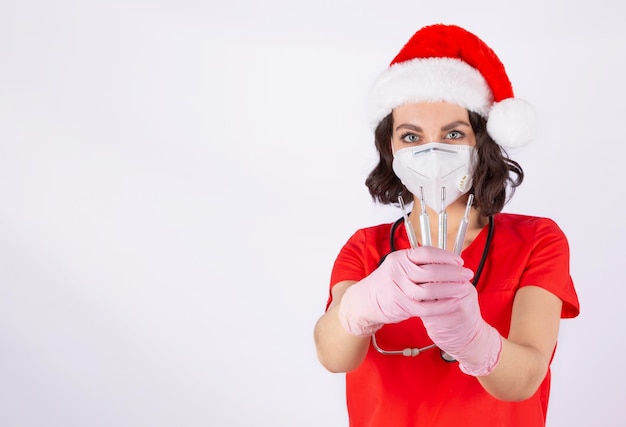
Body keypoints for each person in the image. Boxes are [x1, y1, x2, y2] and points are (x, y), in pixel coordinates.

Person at [313, 23, 580, 427]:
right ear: (390, 147)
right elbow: (333, 356)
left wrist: (474, 339)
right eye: (411, 136)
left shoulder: (537, 240)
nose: (432, 152)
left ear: (482, 142)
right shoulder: (366, 248)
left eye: (453, 133)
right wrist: (362, 306)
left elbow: (525, 378)